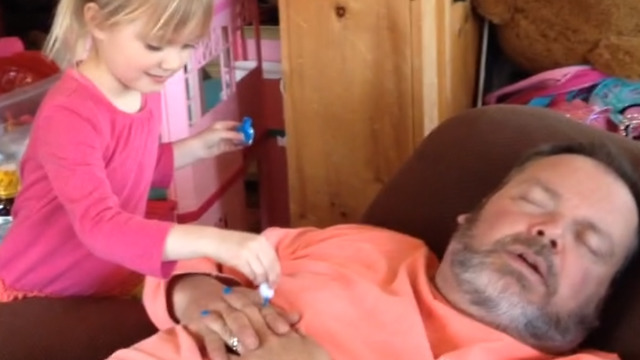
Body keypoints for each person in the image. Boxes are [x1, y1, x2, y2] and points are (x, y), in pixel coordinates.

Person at [105, 141, 640, 360]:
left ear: (600, 304)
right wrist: (203, 294)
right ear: (469, 216)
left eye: (591, 243)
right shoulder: (364, 247)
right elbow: (192, 257)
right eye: (534, 201)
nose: (549, 232)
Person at [0, 0, 280, 302]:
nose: (173, 62)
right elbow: (99, 224)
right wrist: (214, 241)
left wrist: (198, 147)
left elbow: (134, 166)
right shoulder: (69, 113)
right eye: (155, 45)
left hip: (107, 281)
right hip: (42, 293)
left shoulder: (143, 87)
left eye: (187, 45)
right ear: (98, 22)